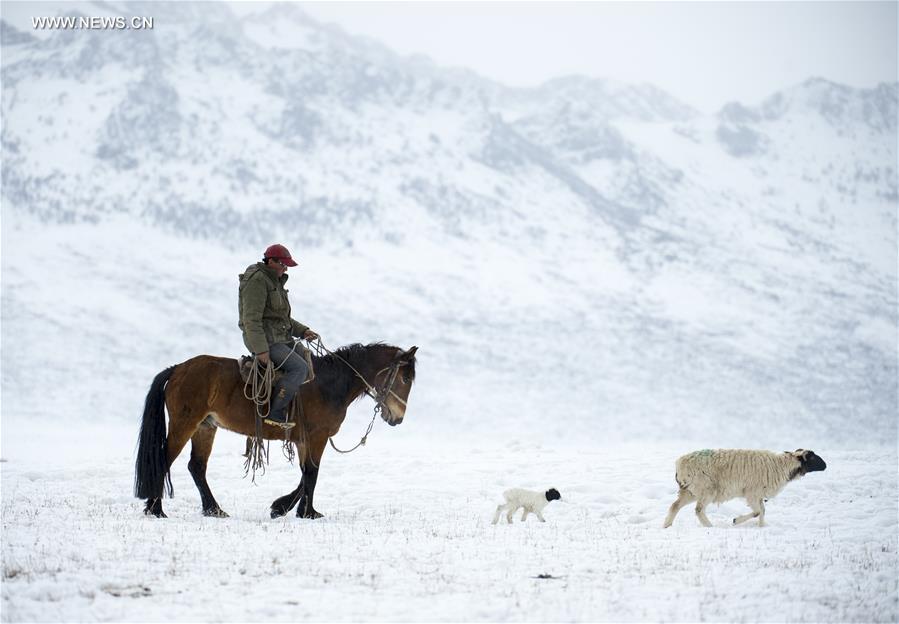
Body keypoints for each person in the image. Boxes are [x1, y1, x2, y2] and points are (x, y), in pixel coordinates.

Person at [238, 243, 318, 428]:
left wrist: (302, 331)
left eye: (287, 266)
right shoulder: (257, 281)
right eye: (283, 264)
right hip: (266, 340)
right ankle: (276, 413)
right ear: (271, 261)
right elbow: (251, 320)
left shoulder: (274, 281)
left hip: (281, 337)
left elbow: (282, 318)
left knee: (309, 360)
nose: (285, 268)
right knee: (299, 369)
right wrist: (261, 350)